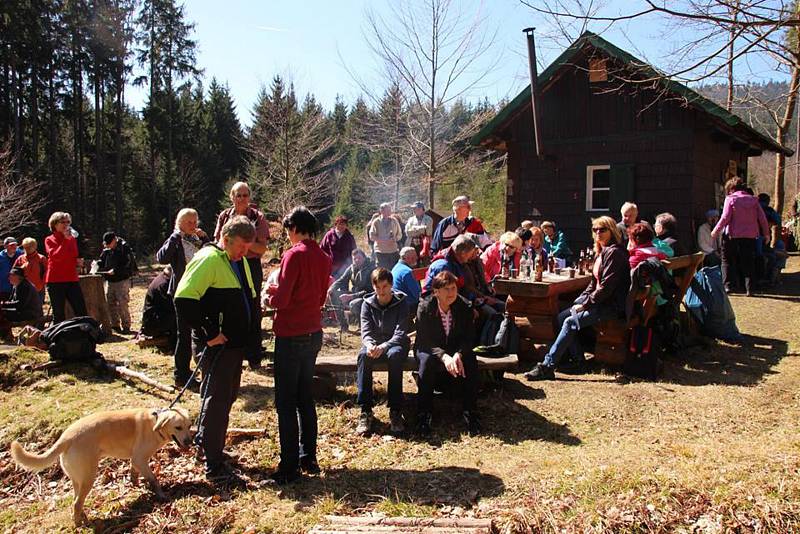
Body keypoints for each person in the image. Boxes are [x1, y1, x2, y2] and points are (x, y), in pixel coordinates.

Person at [174, 215, 260, 486]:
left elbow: (248, 298)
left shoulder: (239, 260)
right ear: (226, 239)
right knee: (217, 401)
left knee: (227, 398)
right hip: (218, 346)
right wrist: (209, 333)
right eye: (241, 248)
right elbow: (184, 299)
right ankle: (214, 465)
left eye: (247, 249)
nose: (244, 253)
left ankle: (209, 445)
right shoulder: (208, 259)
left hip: (235, 346)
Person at [265, 206, 331, 484]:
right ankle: (309, 456)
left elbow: (283, 299)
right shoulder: (324, 256)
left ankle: (289, 465)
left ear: (293, 228)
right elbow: (319, 298)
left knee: (285, 402)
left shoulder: (293, 255)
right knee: (305, 397)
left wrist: (269, 295)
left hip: (291, 334)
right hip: (313, 332)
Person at [525, 216, 630, 380]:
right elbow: (593, 284)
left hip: (611, 307)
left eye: (603, 230)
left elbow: (606, 288)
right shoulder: (602, 252)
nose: (598, 233)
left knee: (570, 321)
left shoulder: (615, 253)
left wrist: (585, 304)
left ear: (612, 231)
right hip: (600, 302)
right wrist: (579, 301)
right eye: (595, 230)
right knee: (562, 315)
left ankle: (547, 366)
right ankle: (578, 360)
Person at [415, 271, 480, 436]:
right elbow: (424, 339)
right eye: (447, 289)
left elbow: (469, 336)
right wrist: (443, 356)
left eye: (453, 288)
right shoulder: (425, 307)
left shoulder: (464, 306)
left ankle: (470, 411)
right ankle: (424, 413)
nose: (452, 293)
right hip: (430, 348)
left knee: (470, 360)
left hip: (454, 348)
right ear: (436, 292)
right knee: (427, 363)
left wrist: (459, 354)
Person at [213, 181, 270, 368]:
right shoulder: (224, 216)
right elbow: (218, 242)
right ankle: (232, 351)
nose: (242, 198)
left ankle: (254, 355)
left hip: (250, 265)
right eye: (239, 195)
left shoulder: (257, 217)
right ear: (232, 197)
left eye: (246, 195)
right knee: (228, 306)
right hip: (227, 264)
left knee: (252, 308)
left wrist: (240, 243)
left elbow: (261, 248)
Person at [156, 208, 211, 388]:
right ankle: (181, 374)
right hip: (182, 292)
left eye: (195, 221)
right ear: (180, 223)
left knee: (200, 331)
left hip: (201, 290)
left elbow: (213, 255)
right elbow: (162, 258)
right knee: (184, 334)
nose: (194, 225)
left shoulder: (198, 239)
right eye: (189, 222)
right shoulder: (175, 239)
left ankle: (204, 369)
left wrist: (205, 239)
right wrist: (175, 237)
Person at [356, 268, 410, 435]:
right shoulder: (367, 304)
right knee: (363, 356)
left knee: (394, 356)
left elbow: (401, 332)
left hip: (395, 343)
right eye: (378, 287)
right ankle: (365, 410)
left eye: (385, 287)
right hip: (375, 343)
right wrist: (370, 344)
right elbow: (365, 330)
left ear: (391, 285)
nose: (381, 291)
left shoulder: (401, 303)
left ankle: (395, 410)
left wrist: (384, 346)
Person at [711, 178, 770, 296]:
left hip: (732, 236)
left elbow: (725, 217)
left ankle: (728, 286)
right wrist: (766, 234)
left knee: (726, 260)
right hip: (750, 236)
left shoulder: (731, 199)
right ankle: (750, 289)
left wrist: (715, 231)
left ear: (731, 189)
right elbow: (762, 218)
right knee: (748, 261)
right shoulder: (754, 200)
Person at [45, 212, 87, 324]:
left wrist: (78, 262)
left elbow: (74, 254)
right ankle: (59, 340)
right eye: (62, 222)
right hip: (55, 280)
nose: (66, 224)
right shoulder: (49, 239)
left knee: (81, 310)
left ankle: (84, 337)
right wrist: (65, 240)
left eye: (68, 222)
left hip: (71, 278)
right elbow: (56, 256)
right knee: (58, 313)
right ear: (54, 224)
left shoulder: (72, 239)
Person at [97, 231, 136, 335]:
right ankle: (115, 324)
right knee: (110, 303)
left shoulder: (124, 248)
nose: (108, 246)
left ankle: (126, 325)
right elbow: (102, 260)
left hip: (122, 280)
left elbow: (128, 265)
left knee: (122, 303)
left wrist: (116, 271)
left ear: (114, 240)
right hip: (110, 281)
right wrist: (97, 264)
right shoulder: (107, 249)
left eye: (109, 243)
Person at [328, 249, 375, 332]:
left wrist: (351, 296)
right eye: (354, 259)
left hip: (367, 296)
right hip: (354, 294)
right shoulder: (352, 268)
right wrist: (332, 288)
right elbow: (341, 280)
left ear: (364, 258)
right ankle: (343, 325)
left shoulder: (371, 269)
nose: (357, 260)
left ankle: (363, 327)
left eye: (359, 258)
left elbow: (370, 290)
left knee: (354, 304)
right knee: (333, 294)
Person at [0, 266, 43, 341]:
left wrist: (3, 305)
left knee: (2, 314)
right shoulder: (16, 285)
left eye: (10, 276)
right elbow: (12, 302)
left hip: (30, 313)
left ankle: (6, 336)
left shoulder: (25, 286)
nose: (8, 278)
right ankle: (6, 335)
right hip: (22, 311)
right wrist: (3, 305)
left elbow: (20, 304)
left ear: (17, 277)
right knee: (2, 312)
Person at [140, 266, 176, 343]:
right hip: (153, 322)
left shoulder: (163, 278)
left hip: (154, 317)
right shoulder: (164, 284)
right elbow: (170, 306)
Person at [319, 215, 357, 279]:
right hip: (332, 266)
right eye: (340, 224)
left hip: (345, 267)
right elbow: (322, 249)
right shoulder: (329, 235)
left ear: (346, 225)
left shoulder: (349, 236)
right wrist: (326, 261)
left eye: (344, 224)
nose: (342, 226)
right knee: (332, 285)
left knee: (343, 285)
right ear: (336, 224)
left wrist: (353, 263)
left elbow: (354, 250)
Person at [368, 203, 403, 270]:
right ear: (382, 211)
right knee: (382, 271)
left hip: (393, 251)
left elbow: (400, 234)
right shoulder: (376, 222)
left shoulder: (394, 220)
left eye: (390, 210)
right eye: (387, 210)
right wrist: (382, 240)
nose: (389, 212)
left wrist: (395, 239)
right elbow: (371, 236)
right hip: (381, 251)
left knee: (394, 270)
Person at [13, 237, 47, 303]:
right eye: (25, 247)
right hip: (23, 289)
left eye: (29, 247)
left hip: (38, 289)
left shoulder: (41, 258)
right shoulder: (20, 258)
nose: (27, 249)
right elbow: (13, 274)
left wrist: (41, 285)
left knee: (37, 309)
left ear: (35, 247)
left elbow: (47, 273)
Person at [391, 247, 421, 311]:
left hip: (397, 303)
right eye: (414, 257)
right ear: (406, 258)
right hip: (407, 306)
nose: (417, 258)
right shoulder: (407, 272)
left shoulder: (396, 267)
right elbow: (417, 294)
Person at [0, 237, 23, 301]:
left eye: (15, 245)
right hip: (4, 288)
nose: (14, 247)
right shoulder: (0, 257)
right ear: (5, 246)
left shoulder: (21, 255)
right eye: (11, 245)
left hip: (18, 287)